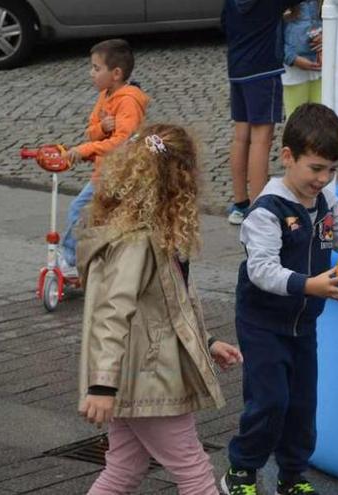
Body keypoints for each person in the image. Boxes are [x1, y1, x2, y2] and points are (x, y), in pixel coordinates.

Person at [76, 124, 243, 494]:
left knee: (124, 468)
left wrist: (208, 340)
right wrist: (101, 385)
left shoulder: (152, 233)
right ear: (178, 178)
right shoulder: (136, 241)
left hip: (136, 373)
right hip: (148, 375)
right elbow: (110, 313)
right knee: (194, 470)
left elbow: (172, 302)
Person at [222, 103, 338, 495]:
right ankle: (241, 470)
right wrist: (309, 285)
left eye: (332, 169)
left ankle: (291, 476)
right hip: (263, 322)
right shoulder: (267, 210)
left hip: (304, 323)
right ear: (288, 157)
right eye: (316, 168)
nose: (324, 179)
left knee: (302, 405)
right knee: (270, 401)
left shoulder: (326, 204)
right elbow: (262, 270)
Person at [59, 39, 150, 277]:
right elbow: (91, 128)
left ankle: (70, 260)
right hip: (104, 172)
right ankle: (99, 262)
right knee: (103, 218)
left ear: (116, 73)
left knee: (79, 210)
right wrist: (101, 128)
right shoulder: (105, 95)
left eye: (96, 68)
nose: (91, 73)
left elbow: (123, 141)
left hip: (119, 173)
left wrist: (85, 149)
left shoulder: (128, 101)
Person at [221, 0, 305, 225]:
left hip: (237, 69)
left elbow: (225, 24)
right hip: (263, 72)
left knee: (240, 138)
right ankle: (259, 207)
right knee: (261, 140)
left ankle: (240, 204)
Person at [282, 0, 323, 118]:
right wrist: (292, 58)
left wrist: (326, 37)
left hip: (320, 70)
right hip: (293, 73)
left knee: (321, 122)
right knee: (296, 122)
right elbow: (272, 35)